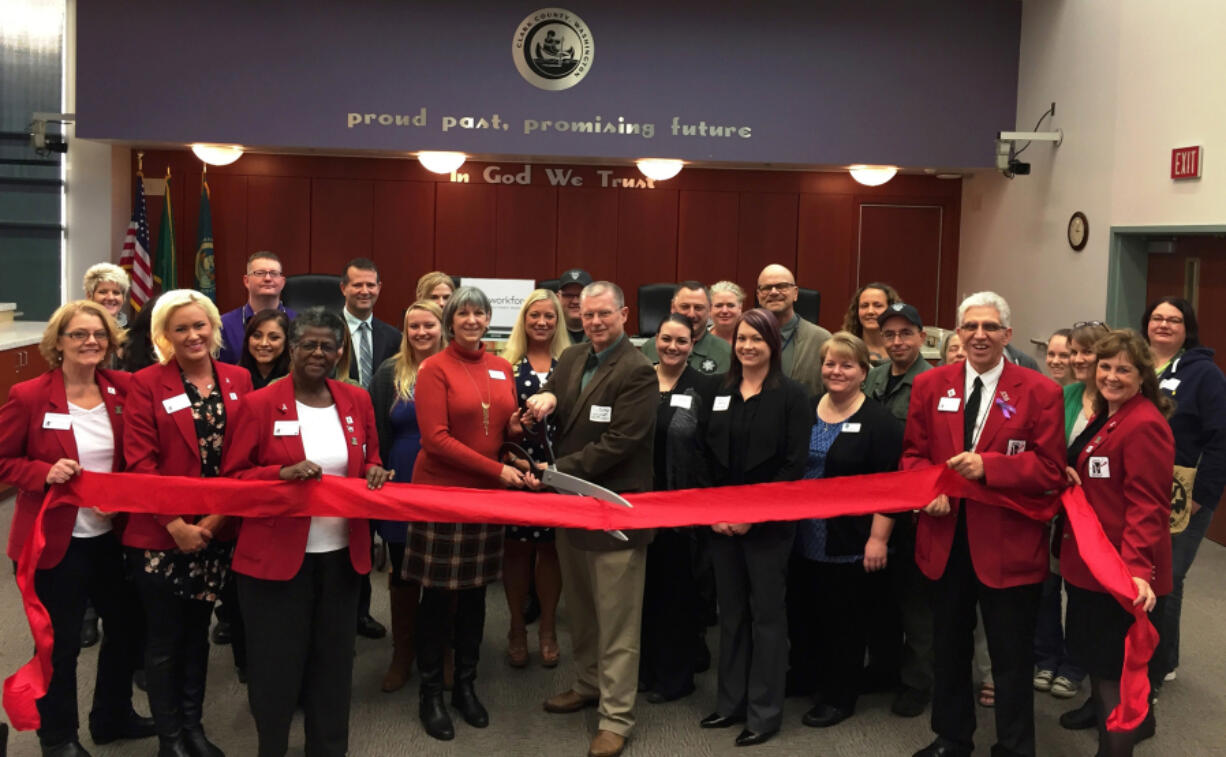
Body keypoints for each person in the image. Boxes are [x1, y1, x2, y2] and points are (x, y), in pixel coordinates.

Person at [222, 307, 392, 757]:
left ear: (340, 352)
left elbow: (369, 456)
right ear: (291, 349)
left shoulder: (355, 400)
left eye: (328, 346)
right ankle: (271, 747)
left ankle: (329, 748)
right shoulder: (260, 404)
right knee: (276, 668)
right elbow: (233, 480)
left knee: (334, 666)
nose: (318, 352)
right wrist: (281, 473)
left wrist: (375, 470)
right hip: (274, 563)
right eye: (307, 344)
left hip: (340, 557)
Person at [902, 291, 1065, 757]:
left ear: (1007, 335)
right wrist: (925, 491)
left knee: (1011, 657)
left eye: (990, 327)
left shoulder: (1039, 391)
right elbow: (912, 456)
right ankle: (952, 738)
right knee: (949, 650)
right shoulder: (931, 385)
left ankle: (1015, 747)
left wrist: (991, 467)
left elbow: (1051, 470)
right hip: (945, 540)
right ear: (957, 333)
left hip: (1008, 546)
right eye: (970, 327)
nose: (979, 335)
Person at [0, 301, 153, 757]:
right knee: (60, 643)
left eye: (100, 335)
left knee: (126, 630)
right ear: (58, 342)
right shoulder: (30, 396)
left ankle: (112, 715)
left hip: (113, 536)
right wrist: (40, 473)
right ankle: (58, 737)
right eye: (79, 334)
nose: (91, 342)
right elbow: (4, 460)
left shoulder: (125, 389)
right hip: (52, 542)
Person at [525, 281, 656, 757]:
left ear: (624, 314)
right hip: (573, 509)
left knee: (618, 623)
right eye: (588, 314)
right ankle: (587, 685)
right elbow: (561, 398)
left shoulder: (639, 370)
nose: (596, 321)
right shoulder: (575, 357)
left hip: (616, 511)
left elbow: (622, 441)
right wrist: (544, 401)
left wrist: (558, 472)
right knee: (580, 611)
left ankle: (616, 718)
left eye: (605, 314)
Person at [124, 289, 253, 757]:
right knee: (163, 641)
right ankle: (170, 738)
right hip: (160, 534)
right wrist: (176, 524)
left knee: (197, 634)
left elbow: (246, 455)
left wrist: (217, 521)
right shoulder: (145, 383)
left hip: (217, 532)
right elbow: (140, 462)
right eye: (181, 328)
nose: (193, 335)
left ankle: (193, 728)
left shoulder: (239, 379)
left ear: (214, 327)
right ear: (165, 336)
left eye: (200, 325)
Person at [406, 286, 532, 742]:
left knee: (476, 595)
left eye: (480, 313)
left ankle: (465, 685)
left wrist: (519, 433)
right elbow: (435, 439)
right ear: (450, 320)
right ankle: (430, 694)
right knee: (438, 597)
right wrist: (499, 469)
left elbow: (499, 428)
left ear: (488, 319)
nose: (473, 320)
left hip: (486, 498)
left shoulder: (501, 367)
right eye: (464, 313)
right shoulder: (433, 368)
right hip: (441, 494)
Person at [699, 307, 812, 748]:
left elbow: (793, 464)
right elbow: (703, 455)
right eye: (741, 338)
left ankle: (764, 714)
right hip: (721, 523)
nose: (747, 346)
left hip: (768, 527)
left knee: (766, 617)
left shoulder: (792, 396)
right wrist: (714, 512)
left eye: (757, 340)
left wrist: (753, 515)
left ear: (773, 346)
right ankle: (730, 704)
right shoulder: (717, 389)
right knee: (732, 616)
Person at [1061, 329, 1175, 756]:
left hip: (1121, 570)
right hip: (1092, 560)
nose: (1110, 376)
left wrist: (1135, 572)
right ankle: (1115, 718)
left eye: (1123, 369)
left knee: (1114, 670)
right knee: (1098, 657)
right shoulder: (1109, 415)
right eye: (1105, 366)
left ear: (1142, 375)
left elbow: (1148, 506)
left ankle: (1116, 748)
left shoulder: (1144, 424)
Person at [789, 331, 902, 729]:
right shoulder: (806, 409)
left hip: (850, 538)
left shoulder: (878, 421)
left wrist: (878, 538)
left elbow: (891, 485)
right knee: (807, 612)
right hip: (803, 533)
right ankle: (811, 677)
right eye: (830, 364)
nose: (836, 372)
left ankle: (840, 696)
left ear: (862, 371)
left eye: (846, 365)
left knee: (845, 621)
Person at [1143, 298, 1226, 689]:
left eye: (1173, 320)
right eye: (1157, 318)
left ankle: (1161, 662)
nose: (1163, 325)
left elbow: (1221, 437)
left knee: (1168, 577)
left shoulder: (1205, 375)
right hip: (1137, 485)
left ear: (1186, 328)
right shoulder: (1135, 365)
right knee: (1139, 572)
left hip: (1183, 492)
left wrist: (1201, 495)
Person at [861, 303, 934, 717]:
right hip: (874, 503)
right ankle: (884, 669)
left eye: (905, 333)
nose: (897, 341)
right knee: (881, 597)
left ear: (922, 337)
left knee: (916, 604)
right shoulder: (873, 376)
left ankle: (918, 683)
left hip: (914, 509)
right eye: (889, 334)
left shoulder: (933, 382)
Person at [369, 300, 445, 692]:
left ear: (440, 326)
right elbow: (376, 430)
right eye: (413, 326)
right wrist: (378, 469)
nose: (420, 333)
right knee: (402, 569)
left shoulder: (454, 367)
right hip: (401, 477)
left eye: (428, 325)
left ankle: (441, 650)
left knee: (441, 571)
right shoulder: (388, 372)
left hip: (445, 481)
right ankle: (403, 653)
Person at [639, 314, 716, 705]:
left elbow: (711, 450)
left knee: (678, 596)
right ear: (655, 340)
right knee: (644, 593)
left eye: (682, 341)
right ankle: (646, 669)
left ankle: (675, 677)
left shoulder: (705, 386)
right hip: (637, 507)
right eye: (666, 339)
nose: (673, 347)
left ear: (693, 344)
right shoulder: (639, 380)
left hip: (683, 513)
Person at [499, 290, 570, 669]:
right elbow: (496, 425)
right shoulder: (505, 364)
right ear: (523, 320)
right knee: (516, 550)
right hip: (515, 470)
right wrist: (514, 462)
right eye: (534, 316)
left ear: (558, 322)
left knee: (550, 551)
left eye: (549, 316)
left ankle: (547, 628)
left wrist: (553, 472)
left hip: (558, 474)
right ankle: (515, 627)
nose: (542, 322)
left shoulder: (571, 364)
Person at [339, 257, 399, 640]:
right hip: (337, 439)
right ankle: (341, 614)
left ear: (379, 288)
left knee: (365, 532)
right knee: (344, 530)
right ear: (343, 288)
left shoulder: (394, 336)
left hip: (380, 441)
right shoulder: (325, 329)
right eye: (357, 285)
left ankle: (361, 613)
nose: (364, 291)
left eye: (371, 285)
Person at [755, 264, 831, 397]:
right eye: (766, 288)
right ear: (759, 296)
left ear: (795, 293)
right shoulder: (744, 338)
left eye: (782, 286)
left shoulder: (821, 340)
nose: (773, 292)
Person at [218, 252, 296, 364]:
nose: (268, 278)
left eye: (274, 273)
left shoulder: (298, 322)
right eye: (260, 273)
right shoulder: (224, 326)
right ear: (246, 281)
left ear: (282, 282)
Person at [640, 281, 732, 375]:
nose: (691, 314)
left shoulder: (725, 352)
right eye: (685, 307)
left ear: (709, 310)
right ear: (673, 308)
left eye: (698, 308)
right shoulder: (650, 348)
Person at [841, 282, 901, 365]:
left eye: (878, 305)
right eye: (864, 306)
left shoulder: (902, 350)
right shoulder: (842, 347)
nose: (870, 311)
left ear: (891, 310)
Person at [236, 309, 290, 390]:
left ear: (287, 341)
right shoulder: (232, 377)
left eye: (274, 338)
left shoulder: (297, 379)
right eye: (257, 336)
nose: (263, 343)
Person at [83, 263, 131, 328]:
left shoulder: (133, 333)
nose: (110, 297)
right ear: (89, 296)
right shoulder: (77, 327)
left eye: (116, 292)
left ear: (123, 298)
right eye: (103, 292)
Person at [555, 267, 593, 343]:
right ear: (558, 298)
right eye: (568, 295)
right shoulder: (548, 332)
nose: (575, 301)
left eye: (581, 295)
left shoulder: (602, 333)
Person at [709, 280, 745, 345]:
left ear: (740, 308)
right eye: (718, 305)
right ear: (710, 309)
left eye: (730, 305)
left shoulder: (751, 338)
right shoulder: (699, 339)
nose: (724, 311)